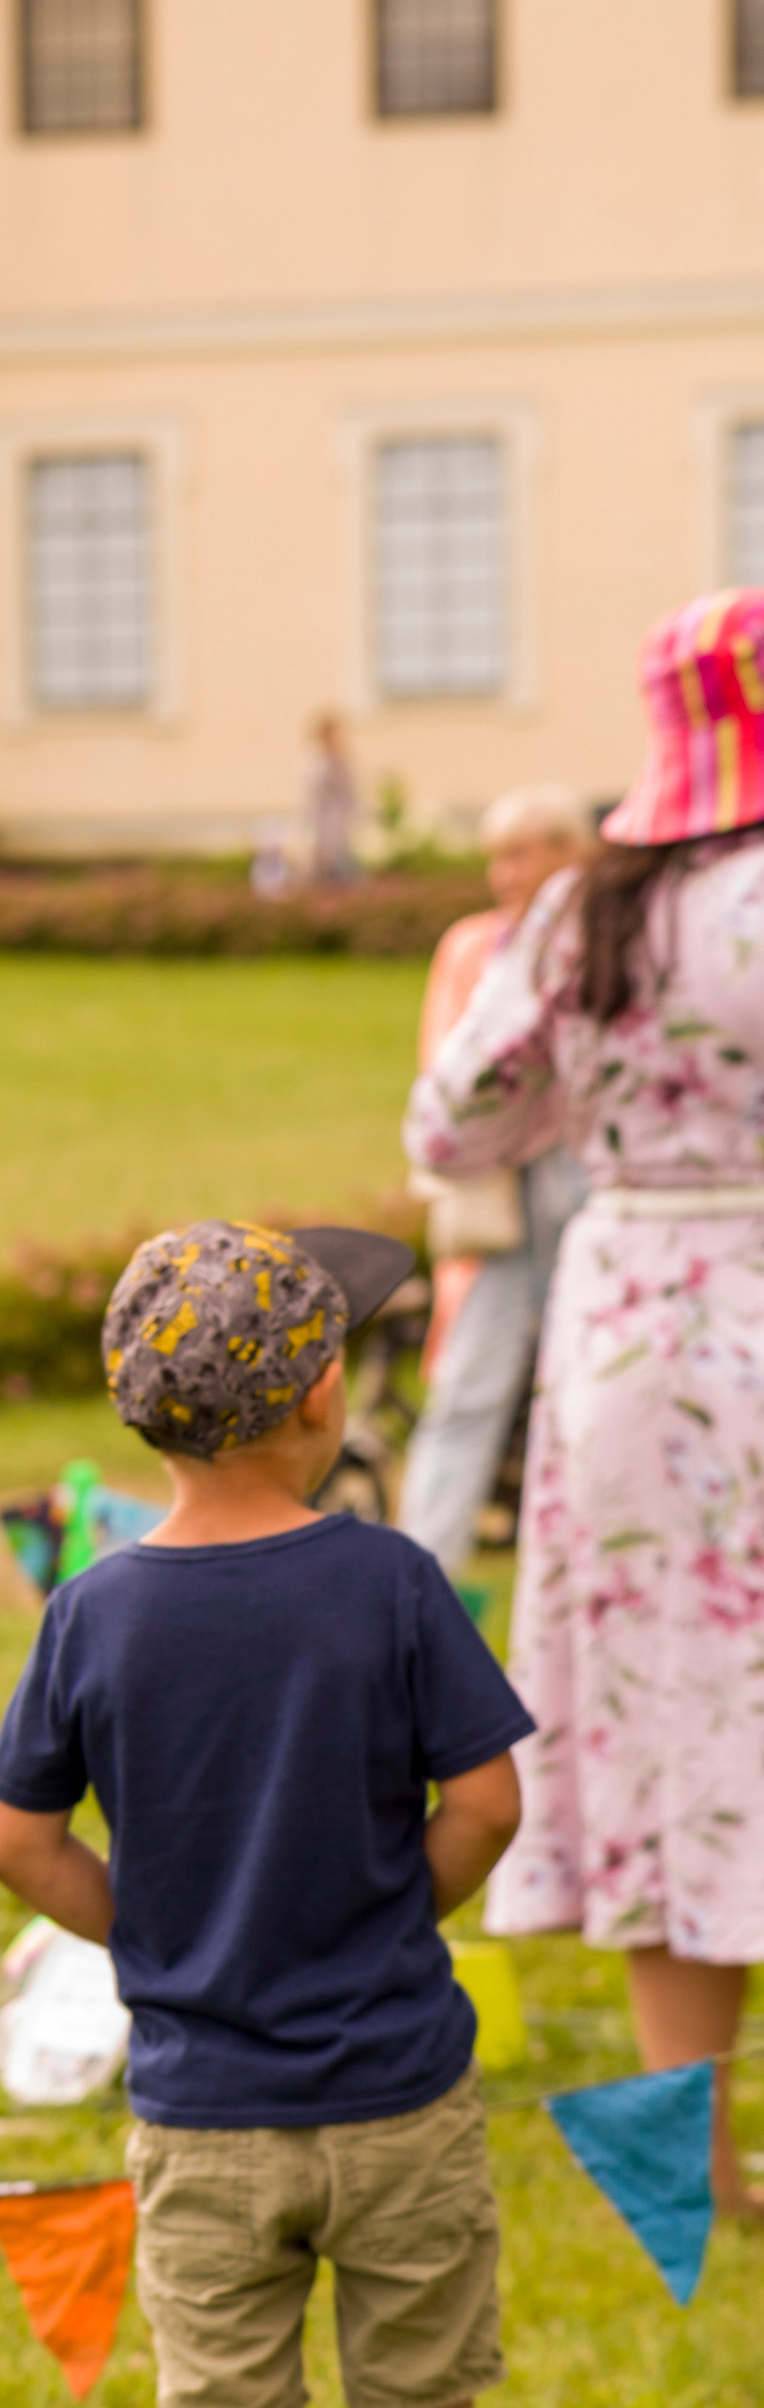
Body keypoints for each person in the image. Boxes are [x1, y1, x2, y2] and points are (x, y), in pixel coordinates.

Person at [0, 1221, 532, 2408]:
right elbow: (489, 1800)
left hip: (209, 2113)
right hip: (401, 2096)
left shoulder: (93, 1610)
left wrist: (157, 1937)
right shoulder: (388, 1576)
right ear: (316, 1395)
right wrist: (382, 1915)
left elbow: (15, 1844)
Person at [409, 589, 764, 2226]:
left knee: (668, 1712)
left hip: (630, 1333)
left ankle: (685, 2156)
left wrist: (589, 1102)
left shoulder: (578, 915)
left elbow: (454, 1123)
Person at [395, 787, 594, 1582]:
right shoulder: (473, 947)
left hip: (584, 1191)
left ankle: (587, 1572)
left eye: (519, 854)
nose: (502, 874)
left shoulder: (603, 934)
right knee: (468, 1389)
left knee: (591, 1390)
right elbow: (445, 1071)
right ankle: (419, 1584)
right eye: (494, 858)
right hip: (502, 1198)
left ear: (566, 853)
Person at [302, 710, 360, 886]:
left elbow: (351, 793)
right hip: (323, 823)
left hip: (340, 823)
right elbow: (312, 796)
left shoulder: (342, 758)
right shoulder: (315, 760)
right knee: (325, 867)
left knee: (343, 868)